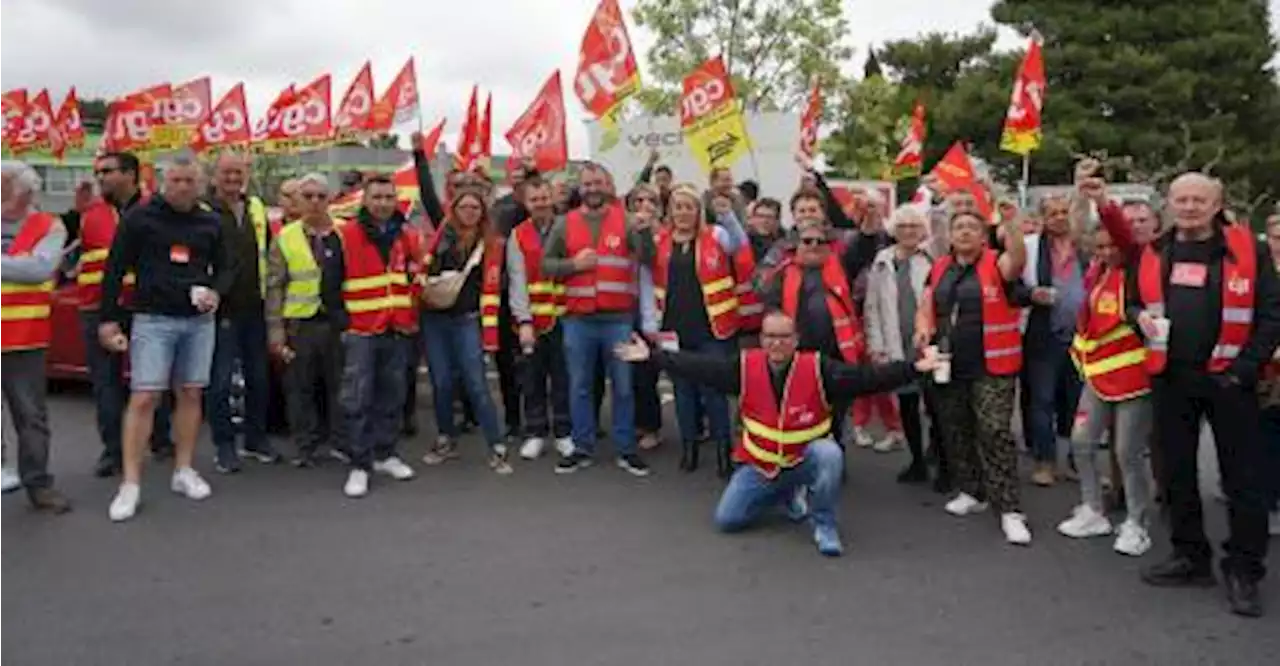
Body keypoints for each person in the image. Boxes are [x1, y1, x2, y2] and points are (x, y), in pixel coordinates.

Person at [613, 311, 942, 556]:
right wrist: (653, 358)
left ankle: (823, 523)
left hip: (805, 460)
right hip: (761, 465)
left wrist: (913, 368)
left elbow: (868, 378)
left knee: (830, 454)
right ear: (761, 339)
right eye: (770, 336)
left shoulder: (819, 367)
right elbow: (699, 367)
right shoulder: (743, 367)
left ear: (796, 340)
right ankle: (785, 494)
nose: (776, 343)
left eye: (784, 337)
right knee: (727, 520)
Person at [1128, 172, 1279, 618]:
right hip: (1172, 378)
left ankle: (1245, 570)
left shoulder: (1248, 249)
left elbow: (1272, 314)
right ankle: (1190, 556)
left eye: (1199, 200)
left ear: (1217, 205)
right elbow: (1131, 301)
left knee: (1243, 481)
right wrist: (1137, 318)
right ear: (1170, 203)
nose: (1189, 207)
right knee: (1176, 474)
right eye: (1181, 199)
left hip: (1231, 382)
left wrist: (1243, 370)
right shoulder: (1154, 250)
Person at [99, 156, 228, 522]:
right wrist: (108, 321)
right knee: (144, 397)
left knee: (190, 392)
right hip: (152, 320)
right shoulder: (140, 218)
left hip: (198, 322)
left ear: (200, 183)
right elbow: (114, 268)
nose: (183, 187)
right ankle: (131, 484)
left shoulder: (210, 221)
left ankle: (184, 470)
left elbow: (226, 267)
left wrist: (216, 292)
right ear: (161, 181)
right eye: (176, 180)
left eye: (189, 180)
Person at [916, 208, 1030, 545]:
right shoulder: (939, 267)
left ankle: (1009, 509)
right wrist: (923, 331)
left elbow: (1018, 260)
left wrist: (1011, 224)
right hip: (949, 364)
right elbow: (927, 306)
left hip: (992, 366)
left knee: (995, 432)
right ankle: (972, 491)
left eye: (972, 227)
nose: (965, 232)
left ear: (984, 236)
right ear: (949, 236)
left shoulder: (998, 263)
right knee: (956, 428)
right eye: (959, 227)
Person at [1057, 169, 1154, 556]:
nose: (1104, 252)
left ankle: (1137, 522)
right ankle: (1093, 509)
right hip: (1096, 374)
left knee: (1127, 452)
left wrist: (1103, 201)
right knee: (1082, 443)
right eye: (1098, 248)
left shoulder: (1134, 263)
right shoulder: (1097, 271)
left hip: (1133, 377)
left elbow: (1121, 232)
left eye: (1109, 246)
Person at [541, 162, 655, 477]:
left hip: (617, 318)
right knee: (578, 386)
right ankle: (582, 447)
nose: (592, 189)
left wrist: (645, 235)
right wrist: (572, 265)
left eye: (598, 183)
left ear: (609, 186)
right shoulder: (565, 223)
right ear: (581, 187)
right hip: (578, 320)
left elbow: (647, 259)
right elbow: (546, 265)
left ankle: (626, 449)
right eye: (588, 184)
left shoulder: (628, 221)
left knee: (623, 387)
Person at [78, 151, 175, 477]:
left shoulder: (157, 211)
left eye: (108, 171)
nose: (100, 177)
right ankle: (113, 451)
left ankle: (160, 440)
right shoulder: (89, 214)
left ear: (131, 174)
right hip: (98, 309)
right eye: (98, 171)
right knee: (105, 384)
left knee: (153, 378)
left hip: (146, 306)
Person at [651, 185, 748, 475]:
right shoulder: (660, 240)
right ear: (670, 211)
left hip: (712, 329)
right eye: (678, 207)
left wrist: (728, 214)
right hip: (672, 329)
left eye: (689, 207)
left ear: (698, 211)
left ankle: (723, 451)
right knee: (683, 392)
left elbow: (740, 244)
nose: (683, 212)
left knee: (714, 391)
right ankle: (689, 447)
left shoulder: (717, 235)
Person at [336, 176, 423, 497]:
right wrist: (344, 323)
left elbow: (414, 276)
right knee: (357, 397)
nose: (383, 203)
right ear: (365, 200)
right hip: (361, 329)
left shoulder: (406, 235)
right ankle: (360, 464)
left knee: (392, 394)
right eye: (377, 197)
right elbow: (331, 285)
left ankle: (386, 453)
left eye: (389, 197)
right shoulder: (345, 235)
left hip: (397, 327)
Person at [419, 190, 511, 475]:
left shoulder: (490, 244)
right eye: (464, 206)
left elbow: (493, 288)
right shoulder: (439, 236)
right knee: (442, 382)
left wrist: (490, 333)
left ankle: (496, 445)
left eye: (475, 207)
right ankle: (446, 439)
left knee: (477, 384)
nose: (470, 212)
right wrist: (420, 153)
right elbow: (427, 192)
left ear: (483, 212)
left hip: (467, 320)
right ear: (454, 209)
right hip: (434, 318)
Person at [0, 160, 72, 514]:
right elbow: (25, 267)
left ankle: (39, 484)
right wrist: (16, 266)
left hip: (23, 338)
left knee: (30, 417)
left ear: (23, 190)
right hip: (18, 337)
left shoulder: (49, 225)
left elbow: (40, 268)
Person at [265, 173, 346, 467]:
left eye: (320, 196)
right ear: (297, 200)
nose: (314, 202)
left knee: (341, 386)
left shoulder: (345, 234)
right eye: (307, 196)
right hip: (300, 324)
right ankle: (305, 446)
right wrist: (276, 334)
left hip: (337, 322)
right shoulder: (285, 237)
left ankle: (340, 442)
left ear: (330, 200)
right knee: (300, 389)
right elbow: (274, 287)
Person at [864, 205, 948, 487]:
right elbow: (872, 306)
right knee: (908, 406)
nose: (909, 231)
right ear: (894, 231)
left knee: (937, 408)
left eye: (914, 226)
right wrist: (876, 344)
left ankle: (943, 463)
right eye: (903, 226)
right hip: (896, 342)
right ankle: (917, 462)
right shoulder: (882, 260)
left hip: (929, 342)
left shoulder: (933, 257)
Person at [206, 152, 279, 472]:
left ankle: (255, 439)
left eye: (238, 173)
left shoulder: (256, 207)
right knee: (220, 382)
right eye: (226, 174)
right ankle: (224, 445)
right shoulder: (203, 210)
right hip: (220, 309)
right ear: (214, 177)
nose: (233, 179)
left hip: (255, 306)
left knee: (258, 379)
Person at [1019, 193, 1088, 486]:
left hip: (1083, 337)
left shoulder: (1086, 247)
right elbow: (1011, 286)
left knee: (1077, 403)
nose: (1060, 217)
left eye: (1064, 212)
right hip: (1044, 334)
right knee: (1042, 400)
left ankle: (1073, 462)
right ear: (1043, 219)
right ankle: (1044, 461)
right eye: (1053, 213)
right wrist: (1031, 295)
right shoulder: (1031, 247)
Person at [508, 177, 574, 460]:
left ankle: (563, 432)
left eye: (544, 198)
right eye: (534, 200)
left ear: (553, 198)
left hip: (565, 317)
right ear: (526, 203)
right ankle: (535, 432)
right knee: (532, 380)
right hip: (532, 321)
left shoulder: (570, 228)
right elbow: (517, 280)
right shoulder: (517, 235)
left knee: (563, 378)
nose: (540, 204)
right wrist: (523, 321)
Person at [626, 184, 666, 450]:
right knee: (637, 374)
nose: (644, 205)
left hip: (663, 312)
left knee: (662, 371)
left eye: (650, 200)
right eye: (638, 200)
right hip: (632, 311)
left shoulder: (668, 235)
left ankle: (654, 426)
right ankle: (642, 423)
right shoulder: (625, 234)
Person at [1256, 213, 1280, 537]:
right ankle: (1269, 500)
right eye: (1276, 237)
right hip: (1262, 367)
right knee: (1265, 434)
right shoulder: (1260, 273)